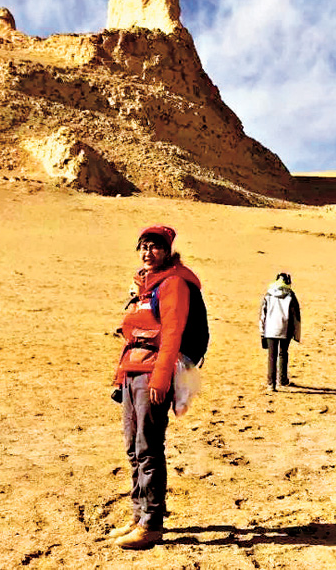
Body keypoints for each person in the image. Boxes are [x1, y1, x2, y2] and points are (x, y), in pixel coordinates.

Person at [109, 224, 201, 550]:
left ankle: (152, 523)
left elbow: (173, 333)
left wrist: (161, 378)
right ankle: (137, 515)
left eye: (155, 247)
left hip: (152, 375)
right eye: (144, 247)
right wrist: (120, 377)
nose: (148, 253)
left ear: (167, 251)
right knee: (133, 448)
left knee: (148, 448)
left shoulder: (173, 283)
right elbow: (130, 336)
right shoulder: (142, 287)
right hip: (133, 371)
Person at [259, 272, 302, 392]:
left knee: (271, 356)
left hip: (270, 329)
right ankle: (282, 380)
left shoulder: (268, 295)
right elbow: (296, 317)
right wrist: (296, 334)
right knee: (283, 354)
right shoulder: (290, 295)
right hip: (286, 328)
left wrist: (262, 332)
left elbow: (263, 315)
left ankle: (271, 384)